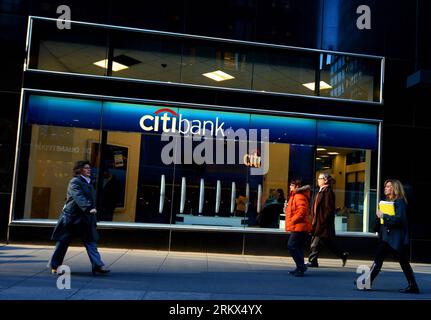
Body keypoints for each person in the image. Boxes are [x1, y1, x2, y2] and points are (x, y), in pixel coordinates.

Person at [47, 161, 110, 275]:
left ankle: (97, 266)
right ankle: (55, 265)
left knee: (91, 242)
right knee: (62, 243)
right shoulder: (75, 182)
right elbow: (78, 196)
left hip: (85, 219)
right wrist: (88, 207)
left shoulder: (90, 183)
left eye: (89, 168)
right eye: (86, 168)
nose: (89, 170)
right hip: (72, 218)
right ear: (79, 170)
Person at [363, 179, 420, 293]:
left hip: (395, 238)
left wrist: (384, 215)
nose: (385, 188)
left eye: (388, 186)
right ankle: (367, 282)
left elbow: (399, 219)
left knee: (401, 261)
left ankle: (413, 285)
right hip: (387, 237)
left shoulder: (399, 202)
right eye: (385, 186)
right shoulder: (386, 201)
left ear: (395, 188)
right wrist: (379, 217)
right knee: (380, 258)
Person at [307, 173, 349, 267]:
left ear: (325, 180)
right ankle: (342, 255)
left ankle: (313, 261)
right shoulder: (320, 191)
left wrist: (322, 222)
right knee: (328, 243)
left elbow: (328, 209)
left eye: (320, 178)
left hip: (322, 223)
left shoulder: (328, 192)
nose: (318, 180)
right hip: (317, 222)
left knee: (315, 243)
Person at [285, 178, 312, 277]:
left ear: (296, 187)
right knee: (297, 247)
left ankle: (301, 267)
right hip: (298, 226)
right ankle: (299, 267)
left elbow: (302, 211)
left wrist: (292, 220)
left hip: (300, 226)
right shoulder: (294, 196)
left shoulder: (299, 196)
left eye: (291, 185)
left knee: (291, 245)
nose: (290, 187)